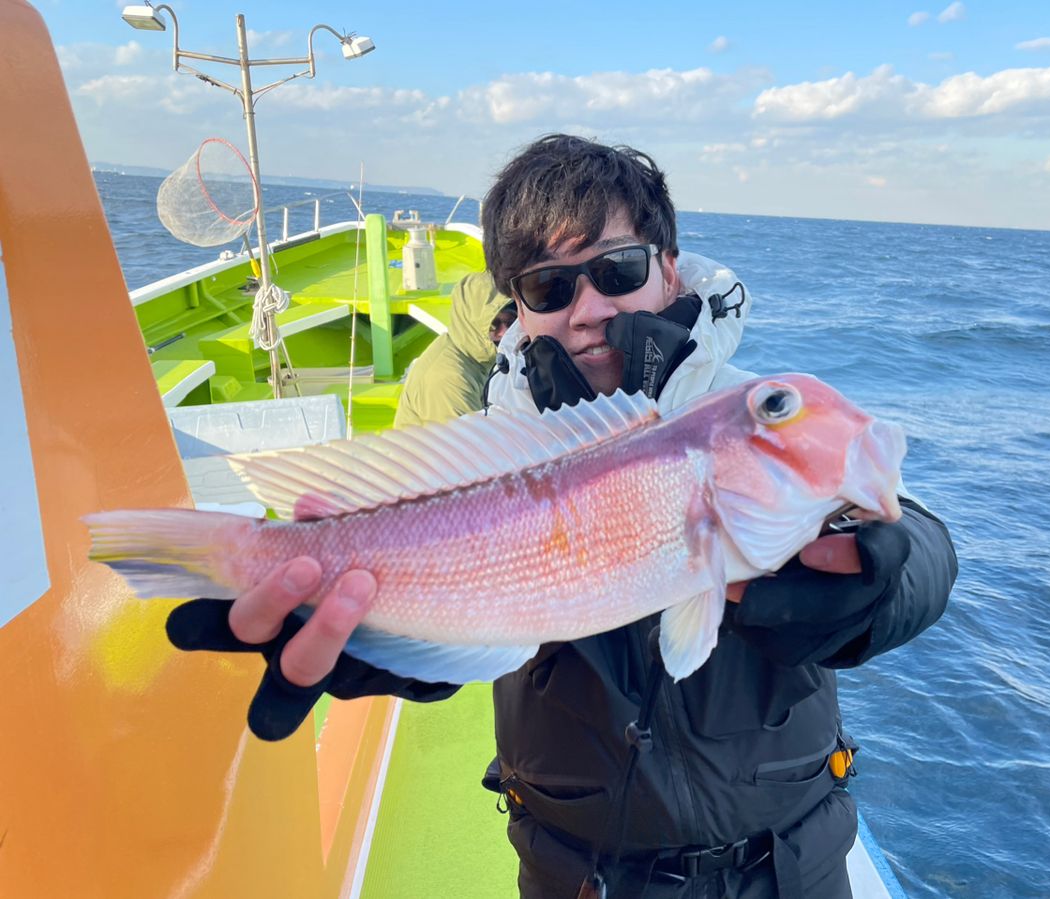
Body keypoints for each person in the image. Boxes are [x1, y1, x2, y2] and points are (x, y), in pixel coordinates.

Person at [166, 134, 957, 898]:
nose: (589, 309)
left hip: (790, 862)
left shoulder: (742, 418)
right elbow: (453, 598)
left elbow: (916, 537)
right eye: (550, 286)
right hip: (578, 872)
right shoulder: (482, 437)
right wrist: (390, 643)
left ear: (670, 272)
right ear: (515, 309)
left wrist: (885, 580)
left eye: (617, 269)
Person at [392, 271, 513, 429]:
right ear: (472, 324)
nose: (503, 333)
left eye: (511, 322)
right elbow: (471, 448)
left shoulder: (471, 354)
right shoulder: (448, 380)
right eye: (494, 325)